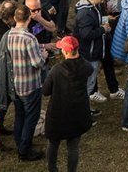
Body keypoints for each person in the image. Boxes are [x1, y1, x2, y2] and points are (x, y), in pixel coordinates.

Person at [0, 4, 47, 163]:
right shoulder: (29, 38)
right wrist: (44, 55)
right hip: (30, 85)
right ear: (28, 19)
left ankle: (19, 142)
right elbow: (36, 63)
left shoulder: (9, 34)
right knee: (31, 119)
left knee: (20, 116)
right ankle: (25, 150)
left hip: (15, 84)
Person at [41, 36, 95, 172]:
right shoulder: (86, 66)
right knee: (73, 146)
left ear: (65, 52)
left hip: (58, 113)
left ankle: (52, 169)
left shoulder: (56, 70)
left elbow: (46, 91)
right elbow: (88, 67)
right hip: (78, 112)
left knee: (53, 143)